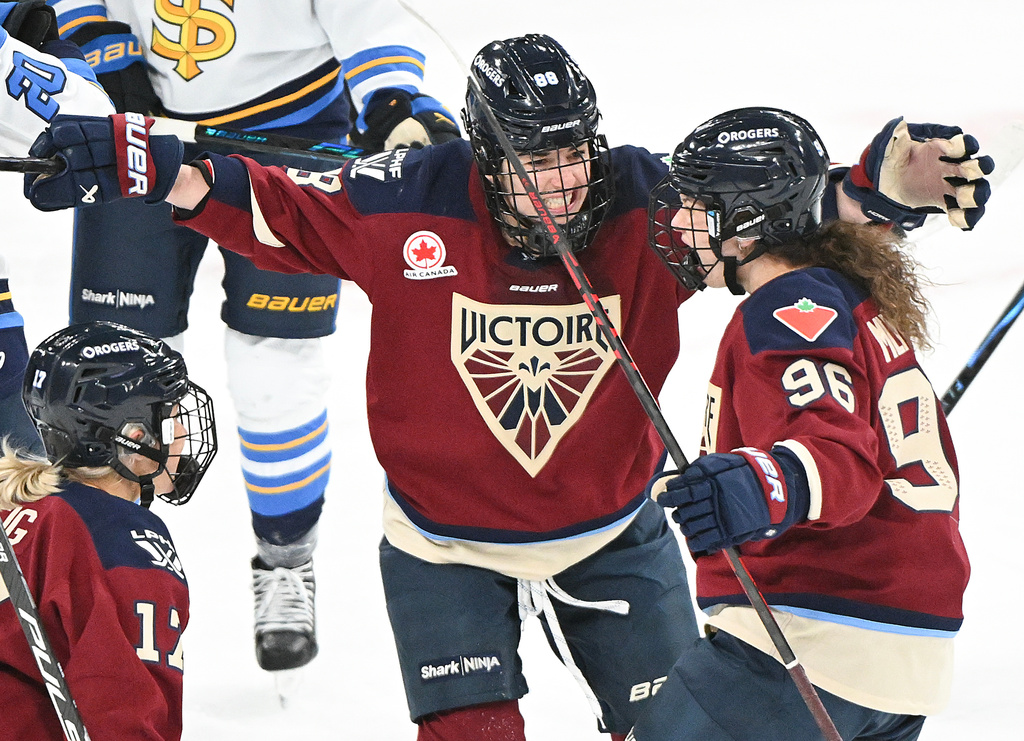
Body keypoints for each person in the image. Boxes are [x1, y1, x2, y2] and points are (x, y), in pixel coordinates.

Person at [20, 34, 991, 741]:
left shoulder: (648, 207)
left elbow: (759, 223)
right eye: (532, 162)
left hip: (614, 530)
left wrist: (866, 189)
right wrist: (137, 157)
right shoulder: (406, 201)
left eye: (573, 155)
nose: (559, 185)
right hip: (441, 544)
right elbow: (261, 200)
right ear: (484, 154)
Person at [42, 0, 461, 674]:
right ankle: (100, 568)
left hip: (290, 134)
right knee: (107, 374)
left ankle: (286, 557)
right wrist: (101, 48)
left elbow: (370, 17)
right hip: (138, 129)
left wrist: (391, 101)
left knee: (276, 372)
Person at [630, 107, 971, 740]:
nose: (679, 223)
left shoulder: (791, 302)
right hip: (900, 651)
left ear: (745, 223)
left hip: (815, 632)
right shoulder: (839, 289)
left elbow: (839, 456)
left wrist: (754, 484)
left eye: (699, 205)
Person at [0, 272, 218, 739]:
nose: (182, 434)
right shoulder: (124, 539)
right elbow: (125, 713)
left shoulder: (18, 509)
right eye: (172, 415)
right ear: (133, 438)